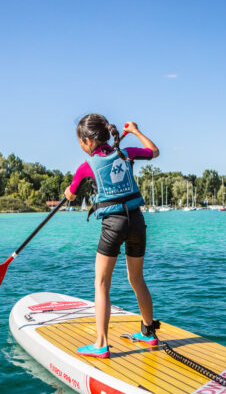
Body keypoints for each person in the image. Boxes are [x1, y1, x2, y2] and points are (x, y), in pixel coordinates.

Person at [64, 114, 159, 358]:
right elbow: (154, 151)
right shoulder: (126, 153)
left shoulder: (86, 167)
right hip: (137, 221)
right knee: (136, 279)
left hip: (113, 225)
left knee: (102, 283)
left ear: (88, 141)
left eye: (80, 142)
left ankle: (101, 344)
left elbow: (72, 194)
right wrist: (136, 131)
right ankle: (148, 332)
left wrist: (69, 192)